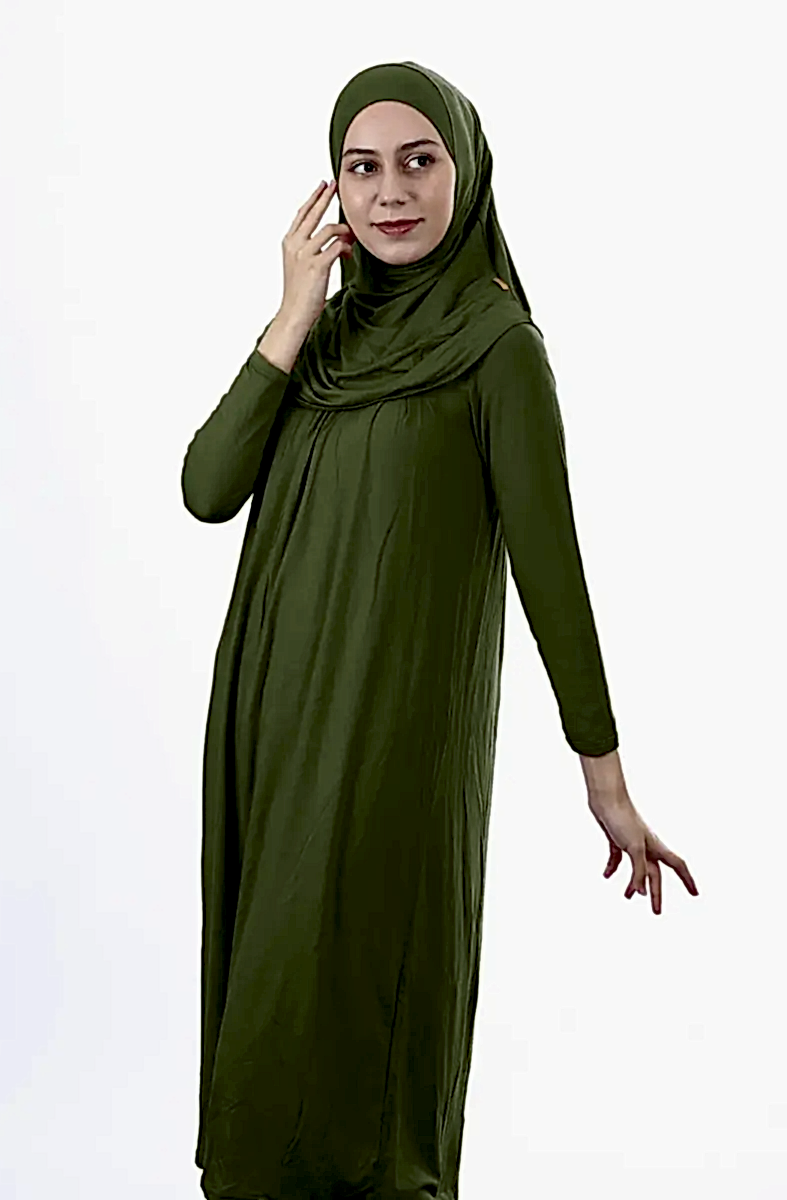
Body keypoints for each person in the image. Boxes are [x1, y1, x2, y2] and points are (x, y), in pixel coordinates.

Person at [181, 60, 698, 1200]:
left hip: (393, 746)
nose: (390, 192)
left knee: (367, 1022)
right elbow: (206, 489)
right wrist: (290, 312)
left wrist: (603, 777)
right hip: (273, 730)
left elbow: (551, 570)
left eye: (418, 161)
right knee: (266, 1015)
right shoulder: (320, 340)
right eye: (360, 168)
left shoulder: (497, 347)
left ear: (464, 170)